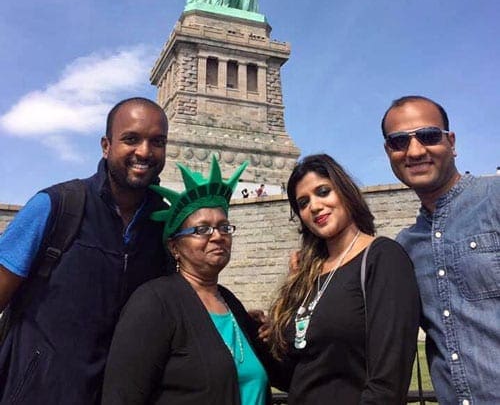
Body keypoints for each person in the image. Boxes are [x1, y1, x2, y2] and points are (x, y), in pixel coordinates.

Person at [0, 97, 174, 404]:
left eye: (157, 142)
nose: (144, 152)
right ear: (106, 146)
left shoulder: (164, 225)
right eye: (131, 139)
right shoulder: (56, 205)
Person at [102, 155, 282, 404]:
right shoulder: (154, 303)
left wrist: (277, 336)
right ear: (175, 247)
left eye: (224, 227)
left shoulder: (231, 304)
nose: (217, 236)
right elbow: (122, 397)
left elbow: (283, 375)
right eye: (202, 230)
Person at [267, 154, 420, 405]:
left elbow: (388, 382)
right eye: (303, 203)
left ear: (345, 192)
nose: (314, 206)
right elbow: (296, 375)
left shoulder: (382, 258)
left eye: (323, 192)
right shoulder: (307, 276)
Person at [382, 95, 500, 405]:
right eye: (399, 142)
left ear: (451, 142)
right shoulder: (404, 247)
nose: (415, 150)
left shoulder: (495, 199)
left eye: (429, 136)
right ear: (389, 152)